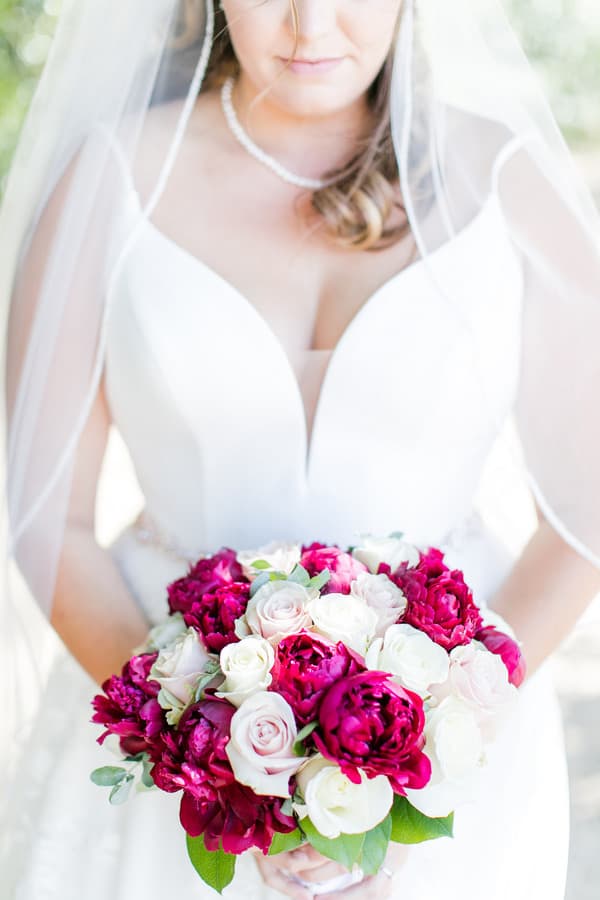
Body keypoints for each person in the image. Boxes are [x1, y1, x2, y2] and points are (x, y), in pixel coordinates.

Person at [1, 1, 600, 898]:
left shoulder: (506, 179)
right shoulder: (112, 176)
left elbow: (585, 513)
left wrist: (440, 736)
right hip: (159, 737)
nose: (311, 25)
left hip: (461, 768)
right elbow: (47, 513)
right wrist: (207, 752)